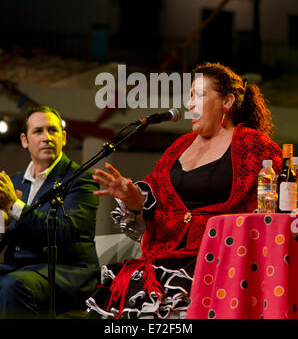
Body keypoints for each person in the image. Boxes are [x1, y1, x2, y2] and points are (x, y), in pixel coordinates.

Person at [86, 62, 282, 319]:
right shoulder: (181, 145)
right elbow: (154, 191)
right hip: (165, 256)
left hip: (216, 257)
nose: (190, 105)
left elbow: (267, 207)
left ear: (227, 102)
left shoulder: (252, 145)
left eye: (199, 95)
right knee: (116, 294)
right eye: (190, 96)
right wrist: (133, 196)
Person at [0, 105, 99, 318]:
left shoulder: (81, 179)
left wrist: (14, 205)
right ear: (25, 140)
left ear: (63, 138)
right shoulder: (15, 182)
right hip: (20, 268)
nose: (46, 137)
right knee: (13, 281)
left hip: (67, 273)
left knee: (13, 285)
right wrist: (3, 221)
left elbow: (63, 232)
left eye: (52, 131)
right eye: (38, 131)